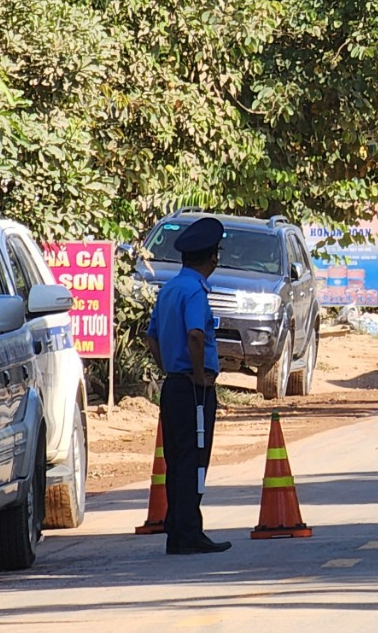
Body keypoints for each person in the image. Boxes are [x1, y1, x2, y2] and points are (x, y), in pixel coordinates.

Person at [145, 217, 233, 554]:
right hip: (195, 389)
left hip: (173, 386)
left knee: (177, 458)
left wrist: (167, 367)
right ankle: (189, 532)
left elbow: (153, 337)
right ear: (212, 259)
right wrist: (198, 374)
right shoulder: (195, 291)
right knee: (195, 459)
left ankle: (177, 531)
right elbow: (196, 334)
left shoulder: (169, 289)